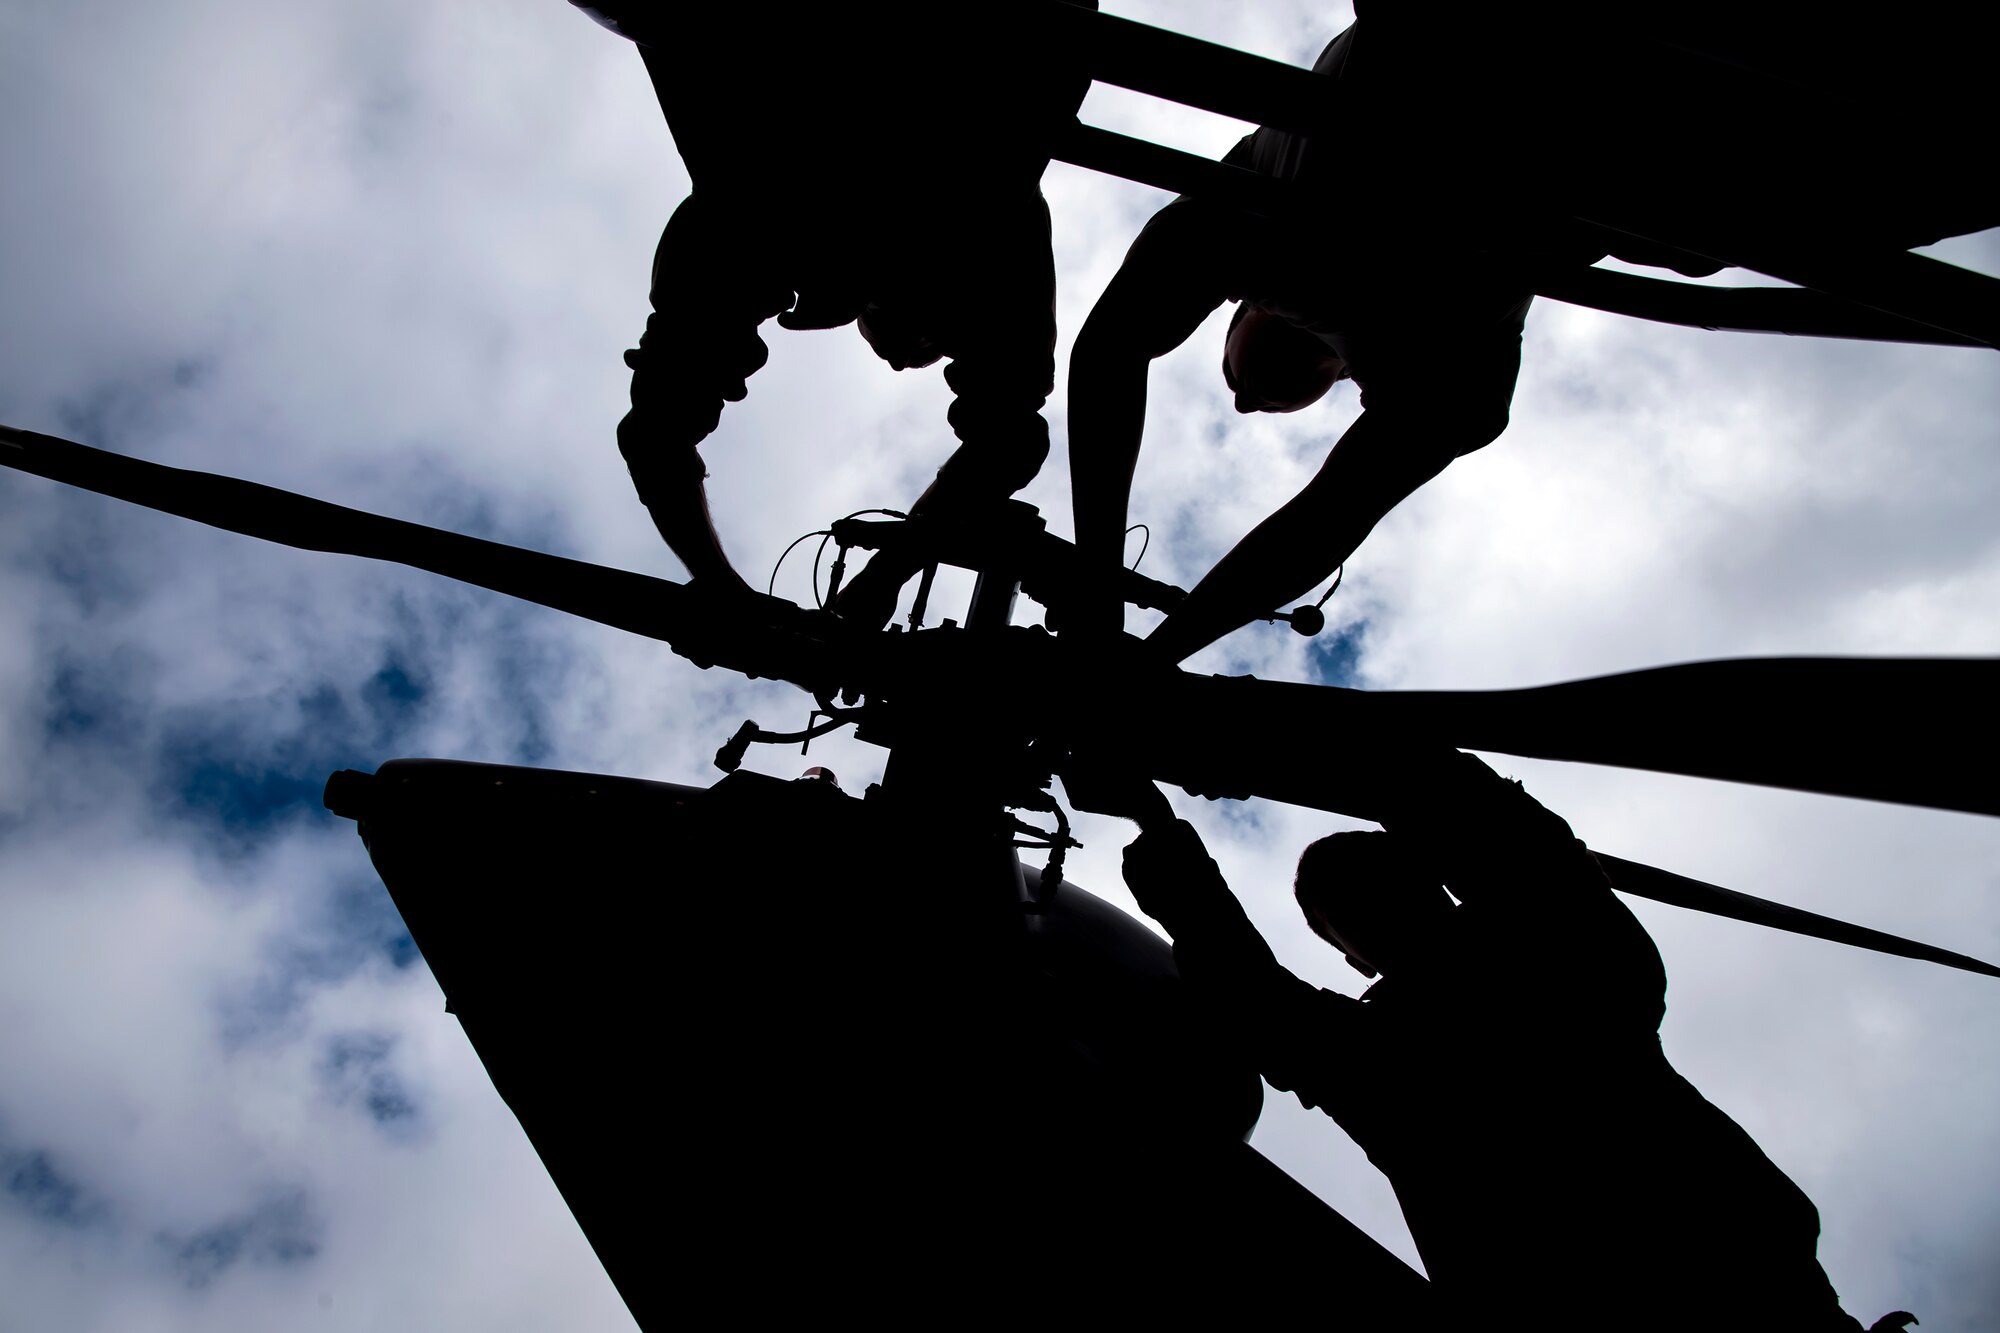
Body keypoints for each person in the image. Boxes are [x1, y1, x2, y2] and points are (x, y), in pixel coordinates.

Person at [1065, 750, 1911, 1330]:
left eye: (1371, 890)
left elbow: (1258, 993)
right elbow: (1261, 992)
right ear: (1351, 951)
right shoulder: (1570, 973)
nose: (1370, 915)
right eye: (1348, 909)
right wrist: (1161, 812)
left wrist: (1164, 813)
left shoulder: (1525, 990)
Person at [568, 4, 1094, 622]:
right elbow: (1008, 439)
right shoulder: (997, 240)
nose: (905, 362)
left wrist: (733, 588)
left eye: (922, 345)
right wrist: (883, 573)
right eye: (927, 345)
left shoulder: (749, 220)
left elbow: (657, 428)